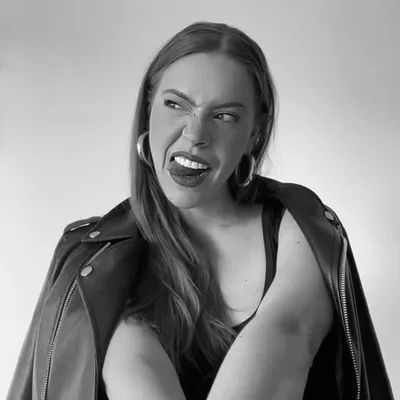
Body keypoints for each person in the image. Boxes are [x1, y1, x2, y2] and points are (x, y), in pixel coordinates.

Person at [7, 21, 393, 400]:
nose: (195, 134)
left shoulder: (300, 228)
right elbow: (131, 369)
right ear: (148, 110)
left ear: (254, 133)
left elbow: (288, 334)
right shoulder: (98, 264)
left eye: (224, 116)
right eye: (175, 104)